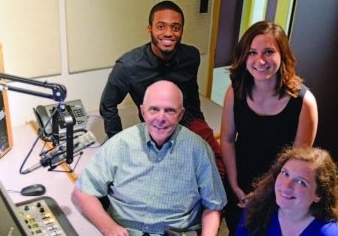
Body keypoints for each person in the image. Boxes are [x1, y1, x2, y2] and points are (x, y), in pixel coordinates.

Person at [72, 80, 227, 236]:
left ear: (181, 114)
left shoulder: (198, 150)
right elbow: (83, 192)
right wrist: (108, 227)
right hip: (125, 232)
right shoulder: (120, 144)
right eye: (154, 109)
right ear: (143, 111)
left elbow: (214, 206)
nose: (161, 118)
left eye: (170, 111)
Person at [99, 0, 225, 177]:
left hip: (187, 120)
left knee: (217, 168)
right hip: (154, 127)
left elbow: (191, 91)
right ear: (149, 29)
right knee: (162, 177)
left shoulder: (191, 56)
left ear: (181, 31)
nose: (168, 33)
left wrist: (199, 123)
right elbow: (108, 106)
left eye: (175, 27)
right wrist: (117, 143)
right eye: (161, 26)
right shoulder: (127, 66)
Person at [220, 21, 318, 235]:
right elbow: (227, 140)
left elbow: (298, 163)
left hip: (282, 185)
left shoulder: (304, 102)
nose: (260, 60)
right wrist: (235, 185)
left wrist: (263, 193)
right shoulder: (235, 91)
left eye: (268, 52)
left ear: (282, 54)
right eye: (252, 52)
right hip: (240, 177)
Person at [235, 146, 338, 236]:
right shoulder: (254, 210)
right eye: (285, 173)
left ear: (318, 195)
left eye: (301, 182)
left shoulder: (331, 233)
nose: (286, 186)